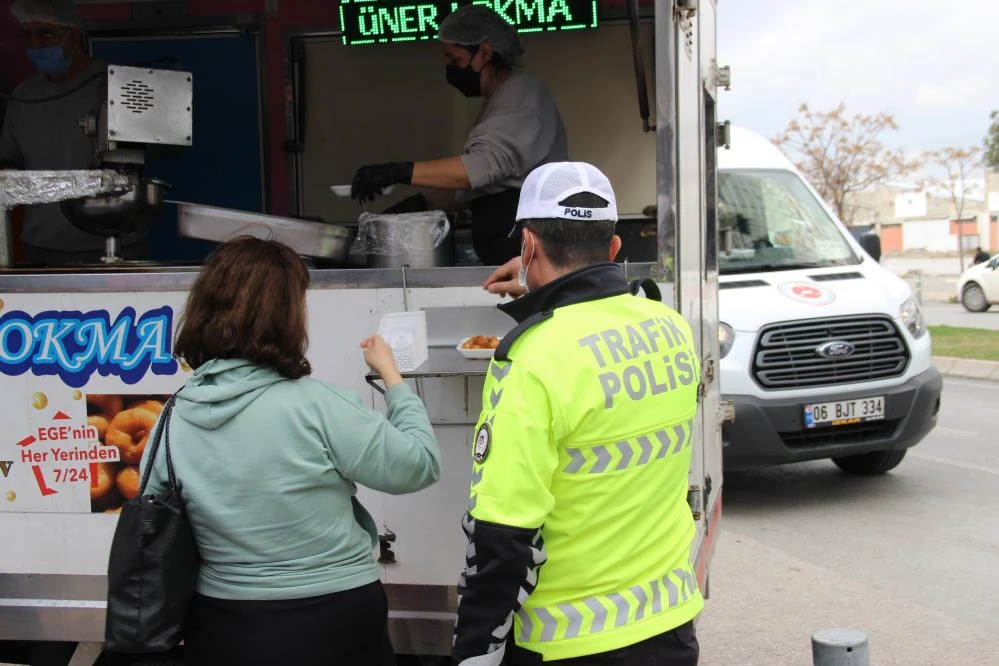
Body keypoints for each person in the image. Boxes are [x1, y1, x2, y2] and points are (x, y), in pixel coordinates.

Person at [139, 237, 441, 665]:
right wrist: (391, 376)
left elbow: (153, 509)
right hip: (336, 617)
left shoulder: (172, 417)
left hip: (223, 623)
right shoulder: (318, 405)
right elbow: (420, 464)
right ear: (286, 315)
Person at [452, 162, 703, 666]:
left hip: (570, 644)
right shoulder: (670, 328)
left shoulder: (531, 360)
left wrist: (472, 651)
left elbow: (502, 538)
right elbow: (600, 321)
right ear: (613, 248)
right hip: (670, 629)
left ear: (527, 246)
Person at [350, 4, 568, 266]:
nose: (451, 70)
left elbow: (478, 169)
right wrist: (420, 202)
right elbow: (480, 186)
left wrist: (399, 171)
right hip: (510, 251)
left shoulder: (521, 97)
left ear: (484, 52)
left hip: (526, 253)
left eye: (456, 60)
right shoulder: (500, 99)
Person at [0, 0, 146, 265]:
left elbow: (146, 156)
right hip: (42, 245)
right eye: (28, 35)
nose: (36, 44)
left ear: (73, 34)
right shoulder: (23, 96)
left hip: (112, 246)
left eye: (46, 34)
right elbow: (9, 161)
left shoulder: (117, 86)